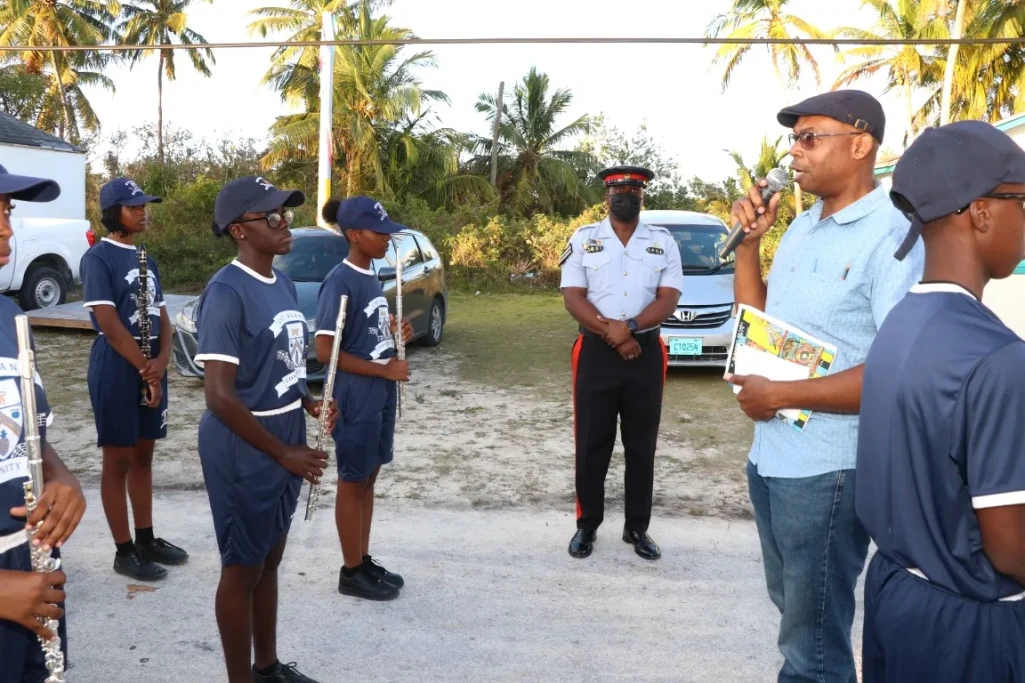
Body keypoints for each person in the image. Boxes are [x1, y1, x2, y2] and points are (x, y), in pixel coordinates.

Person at [725, 90, 923, 682]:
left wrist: (782, 396)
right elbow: (759, 330)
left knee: (811, 649)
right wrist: (751, 246)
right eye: (794, 138)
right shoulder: (804, 227)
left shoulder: (892, 237)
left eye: (810, 137)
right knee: (799, 618)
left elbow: (897, 372)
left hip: (830, 472)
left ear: (860, 145)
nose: (795, 152)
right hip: (772, 459)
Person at [857, 121, 1025, 683]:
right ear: (981, 213)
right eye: (1022, 202)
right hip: (970, 629)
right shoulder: (998, 355)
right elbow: (1011, 550)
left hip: (897, 591)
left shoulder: (902, 321)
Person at [195, 176, 332, 683]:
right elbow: (219, 396)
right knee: (242, 567)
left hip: (285, 435)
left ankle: (267, 667)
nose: (284, 223)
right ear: (239, 230)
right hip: (244, 447)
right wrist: (283, 453)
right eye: (271, 216)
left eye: (286, 213)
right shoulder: (226, 292)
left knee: (270, 558)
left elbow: (283, 365)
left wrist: (309, 402)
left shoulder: (285, 283)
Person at [559, 165, 683, 560]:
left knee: (641, 445)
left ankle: (636, 528)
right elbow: (573, 297)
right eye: (618, 190)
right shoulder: (584, 239)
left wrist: (629, 328)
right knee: (591, 441)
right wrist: (612, 334)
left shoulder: (663, 242)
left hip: (645, 353)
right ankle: (587, 526)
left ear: (643, 196)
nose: (626, 196)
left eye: (633, 190)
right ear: (606, 197)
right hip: (595, 353)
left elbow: (668, 298)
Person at [0, 164, 86, 682]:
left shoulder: (10, 318)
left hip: (30, 570)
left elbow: (26, 434)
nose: (7, 226)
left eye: (7, 210)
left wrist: (60, 477)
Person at [80, 177, 187, 582]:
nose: (143, 211)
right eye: (134, 206)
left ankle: (146, 538)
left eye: (144, 205)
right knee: (118, 459)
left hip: (150, 366)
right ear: (113, 213)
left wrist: (161, 359)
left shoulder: (147, 258)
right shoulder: (98, 258)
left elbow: (162, 316)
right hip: (117, 366)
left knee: (144, 456)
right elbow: (107, 321)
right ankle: (123, 551)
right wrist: (146, 366)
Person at [316, 196, 413, 601]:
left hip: (380, 389)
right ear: (354, 235)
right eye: (380, 231)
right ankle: (350, 570)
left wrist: (395, 334)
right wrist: (383, 370)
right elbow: (325, 351)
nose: (388, 237)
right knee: (352, 479)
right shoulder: (339, 279)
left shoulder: (370, 275)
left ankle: (362, 557)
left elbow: (366, 336)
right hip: (357, 393)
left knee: (370, 475)